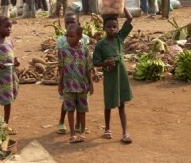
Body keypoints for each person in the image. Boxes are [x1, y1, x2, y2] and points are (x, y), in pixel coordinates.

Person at [93, 8, 133, 144]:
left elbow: (130, 19)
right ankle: (107, 128)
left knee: (122, 105)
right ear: (103, 28)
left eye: (115, 26)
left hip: (121, 76)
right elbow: (95, 62)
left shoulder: (119, 38)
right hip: (110, 77)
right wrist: (105, 63)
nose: (112, 29)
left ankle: (125, 132)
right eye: (109, 27)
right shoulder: (101, 44)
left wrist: (123, 7)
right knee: (108, 104)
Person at [56, 11, 98, 134]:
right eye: (66, 22)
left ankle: (80, 126)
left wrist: (92, 78)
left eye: (72, 22)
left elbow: (88, 63)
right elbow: (61, 65)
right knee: (67, 104)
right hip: (68, 82)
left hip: (81, 81)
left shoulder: (84, 43)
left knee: (81, 106)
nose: (69, 25)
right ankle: (63, 123)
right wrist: (60, 81)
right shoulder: (62, 44)